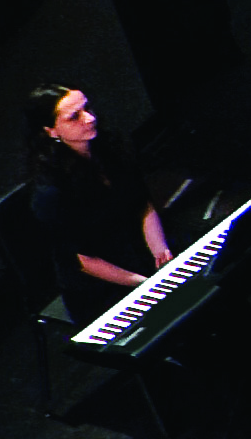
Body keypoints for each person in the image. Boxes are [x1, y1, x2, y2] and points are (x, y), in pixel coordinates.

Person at [23, 85, 168, 324]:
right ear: (51, 131)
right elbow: (85, 261)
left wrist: (160, 252)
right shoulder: (51, 193)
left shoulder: (110, 148)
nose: (90, 118)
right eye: (74, 117)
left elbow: (142, 204)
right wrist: (147, 284)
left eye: (87, 108)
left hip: (138, 252)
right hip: (101, 287)